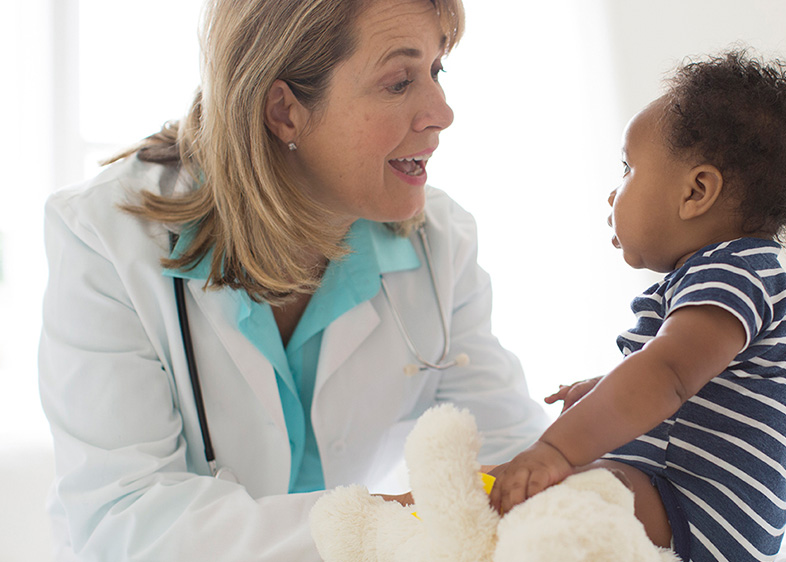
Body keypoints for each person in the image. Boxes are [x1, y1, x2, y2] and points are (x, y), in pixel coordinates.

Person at [37, 0, 548, 560]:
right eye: (400, 82)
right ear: (284, 111)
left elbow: (517, 459)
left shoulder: (438, 242)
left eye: (436, 71)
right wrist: (391, 521)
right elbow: (125, 522)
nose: (442, 112)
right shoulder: (105, 240)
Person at [490, 49, 786, 562]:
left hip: (701, 514)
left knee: (561, 489)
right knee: (549, 490)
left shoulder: (734, 271)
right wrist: (606, 388)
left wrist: (556, 449)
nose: (613, 194)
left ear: (696, 191)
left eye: (627, 168)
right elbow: (679, 380)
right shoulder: (718, 275)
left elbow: (668, 375)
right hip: (680, 499)